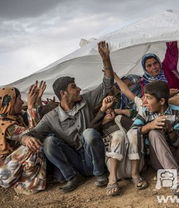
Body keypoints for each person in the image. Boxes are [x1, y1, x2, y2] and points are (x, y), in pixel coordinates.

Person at [21, 41, 114, 193]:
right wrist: (25, 139)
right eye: (74, 87)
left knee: (88, 133)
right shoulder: (51, 117)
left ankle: (100, 174)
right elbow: (32, 133)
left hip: (92, 156)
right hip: (76, 161)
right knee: (49, 142)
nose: (79, 89)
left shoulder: (86, 100)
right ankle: (71, 177)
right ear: (63, 93)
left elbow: (107, 84)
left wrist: (105, 59)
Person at [128, 80, 179, 195]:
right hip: (160, 162)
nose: (144, 102)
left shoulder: (178, 112)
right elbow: (132, 132)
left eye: (149, 98)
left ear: (161, 101)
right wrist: (149, 126)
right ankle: (175, 178)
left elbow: (177, 142)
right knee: (153, 133)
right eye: (145, 97)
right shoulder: (145, 113)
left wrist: (170, 130)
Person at [90, 94, 147, 196]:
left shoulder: (119, 118)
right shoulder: (98, 129)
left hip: (134, 163)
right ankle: (112, 179)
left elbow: (138, 127)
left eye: (110, 109)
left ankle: (135, 175)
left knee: (133, 132)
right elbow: (90, 129)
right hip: (116, 169)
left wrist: (120, 112)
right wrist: (103, 114)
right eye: (105, 110)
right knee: (118, 135)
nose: (108, 111)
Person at [0, 84, 46, 195]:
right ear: (10, 102)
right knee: (33, 144)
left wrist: (37, 100)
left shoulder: (17, 117)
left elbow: (39, 125)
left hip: (13, 166)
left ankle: (28, 181)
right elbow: (35, 133)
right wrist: (30, 106)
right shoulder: (4, 124)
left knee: (35, 142)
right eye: (19, 99)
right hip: (4, 173)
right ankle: (24, 185)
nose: (21, 102)